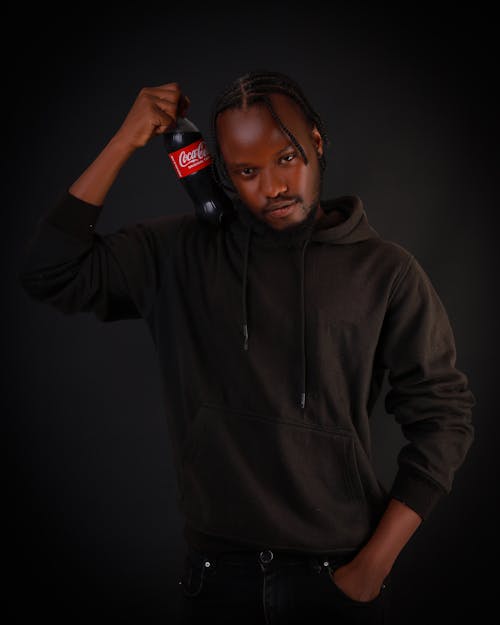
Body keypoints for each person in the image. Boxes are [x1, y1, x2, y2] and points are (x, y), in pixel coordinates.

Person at [18, 71, 476, 624]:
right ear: (222, 174)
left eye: (287, 158)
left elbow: (444, 419)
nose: (273, 187)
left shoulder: (386, 273)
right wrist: (124, 141)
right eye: (247, 171)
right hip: (215, 581)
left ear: (317, 140)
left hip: (336, 576)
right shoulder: (179, 254)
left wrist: (373, 567)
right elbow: (49, 271)